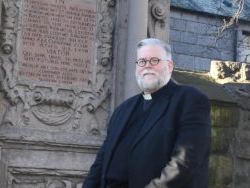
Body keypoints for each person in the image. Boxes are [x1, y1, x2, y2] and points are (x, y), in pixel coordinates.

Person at [83, 38, 211, 188]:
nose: (147, 66)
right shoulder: (123, 109)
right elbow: (101, 163)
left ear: (169, 66)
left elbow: (184, 162)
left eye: (154, 61)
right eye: (142, 62)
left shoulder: (189, 100)